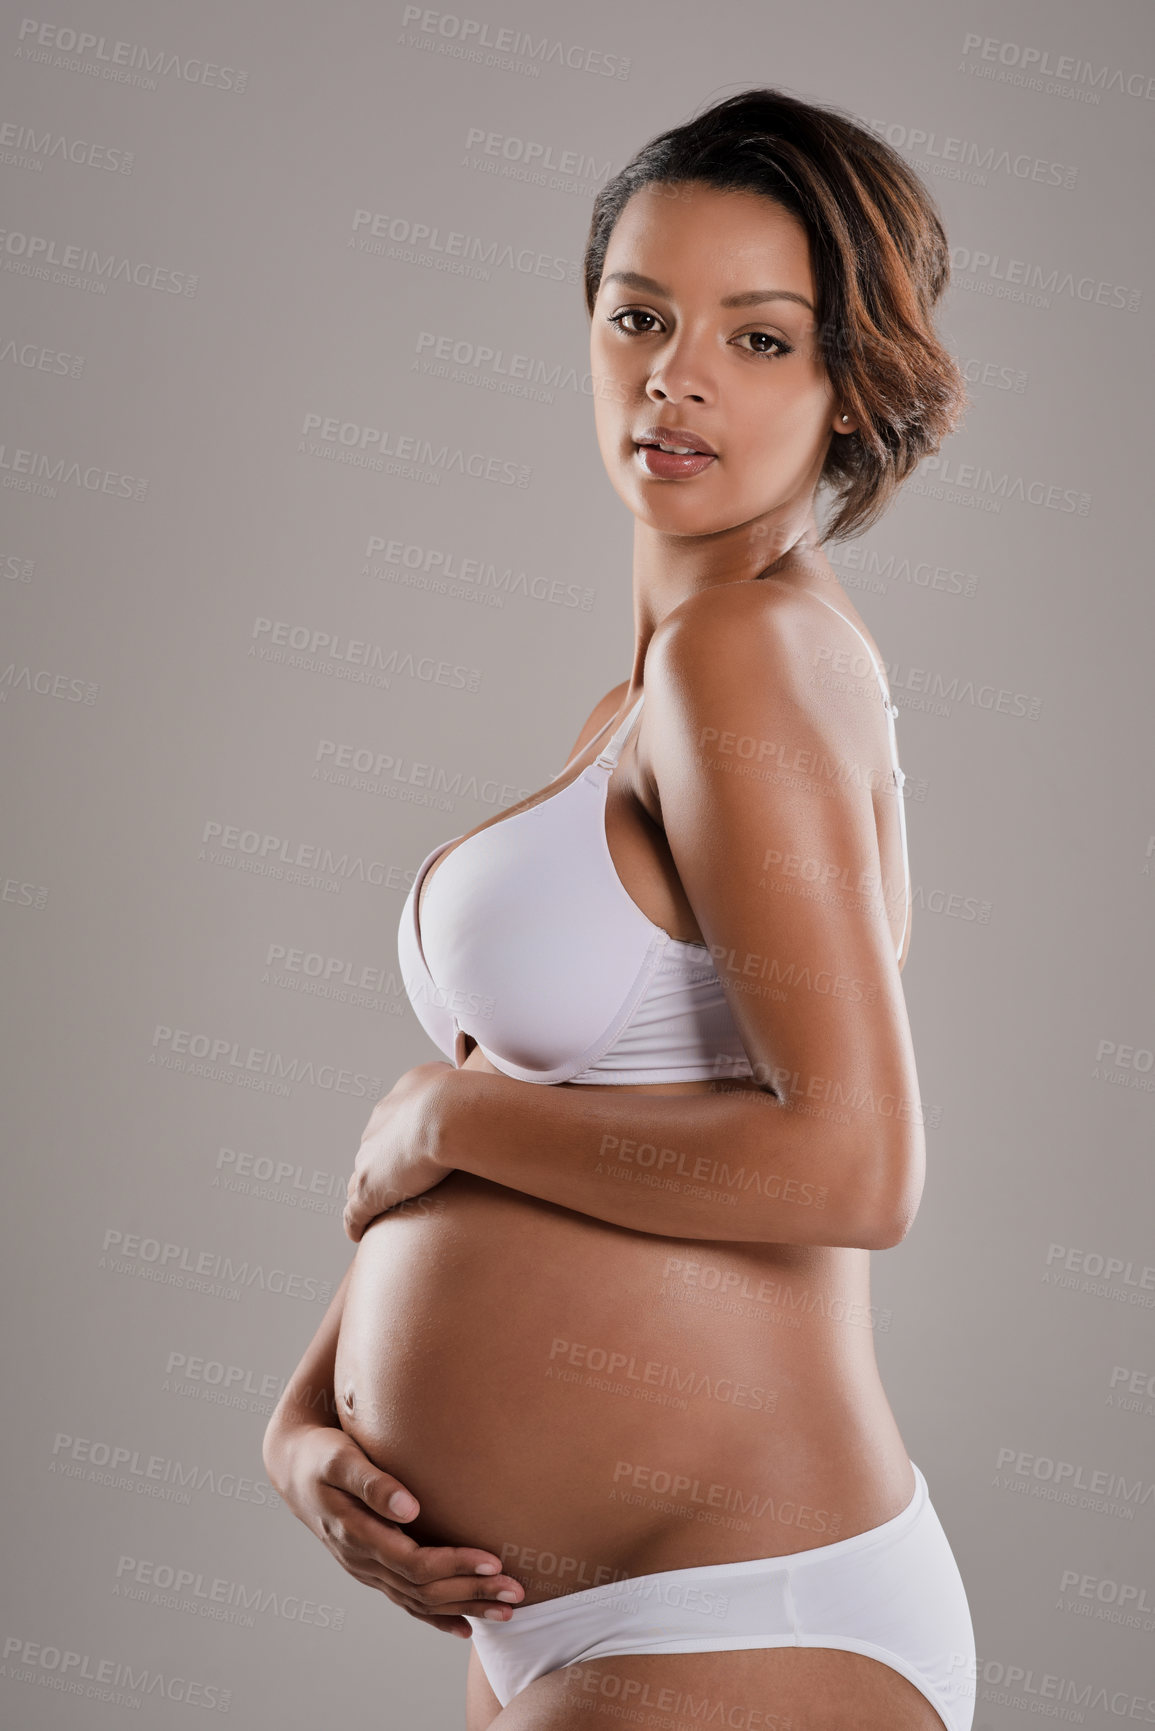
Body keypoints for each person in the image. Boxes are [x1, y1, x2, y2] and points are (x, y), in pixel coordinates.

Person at [264, 87, 977, 1731]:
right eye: (639, 317)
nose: (677, 375)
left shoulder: (753, 658)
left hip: (742, 1603)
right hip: (579, 1626)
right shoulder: (646, 701)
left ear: (852, 386)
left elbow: (853, 1165)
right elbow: (539, 1105)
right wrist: (308, 1425)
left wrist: (444, 1112)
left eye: (761, 338)